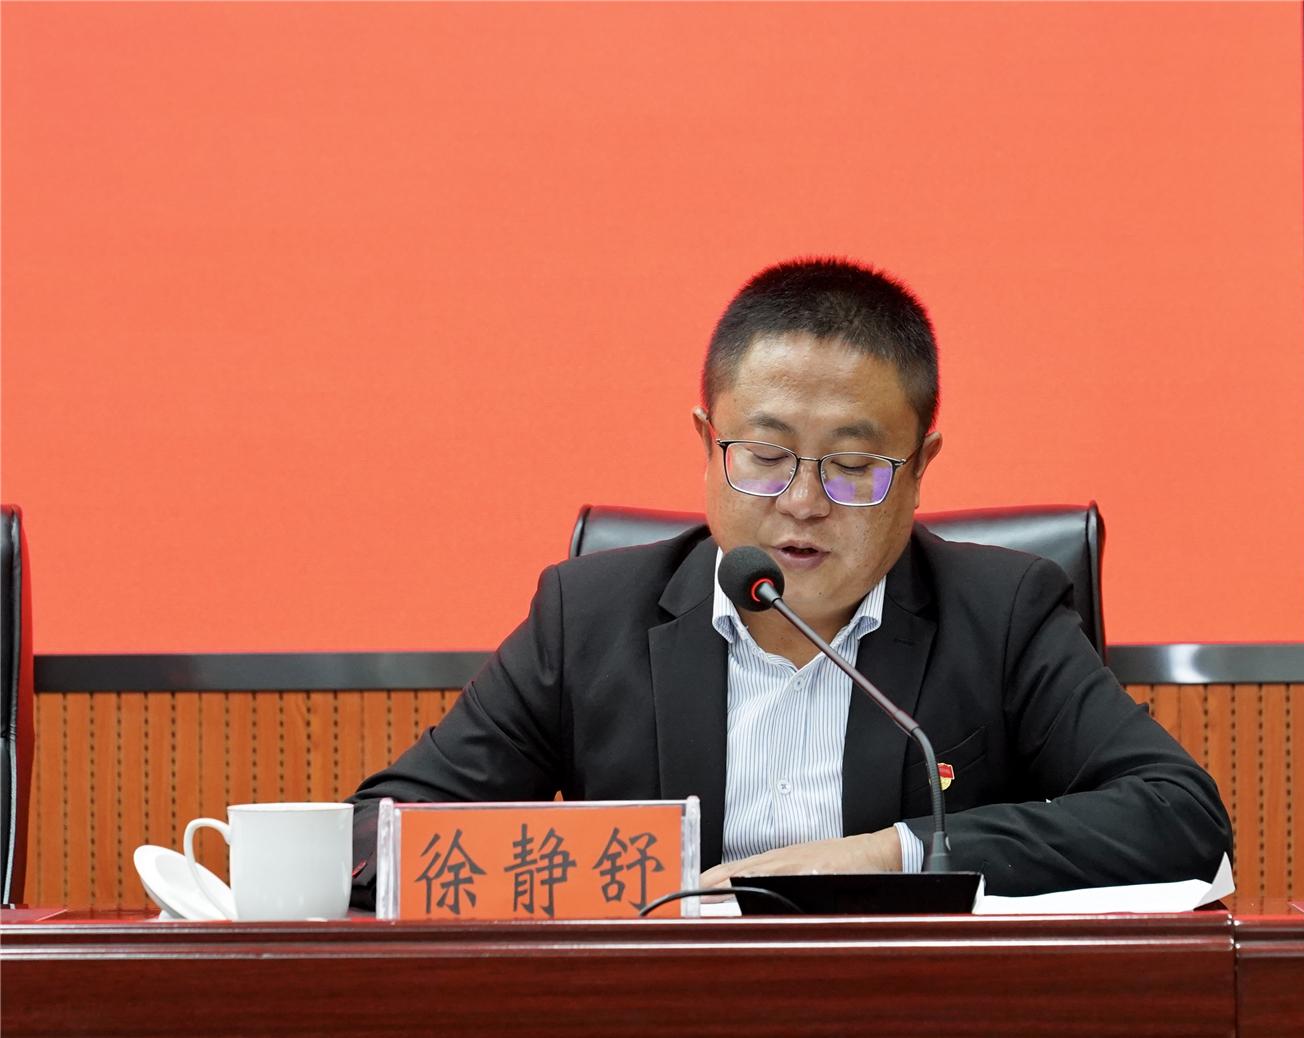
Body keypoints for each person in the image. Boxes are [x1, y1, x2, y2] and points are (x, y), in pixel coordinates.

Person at [347, 258, 1230, 904]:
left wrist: (889, 855)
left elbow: (1179, 816)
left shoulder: (1001, 615)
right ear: (707, 445)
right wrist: (608, 885)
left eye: (852, 465)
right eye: (765, 457)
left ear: (919, 468)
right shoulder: (588, 618)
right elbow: (376, 840)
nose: (803, 503)